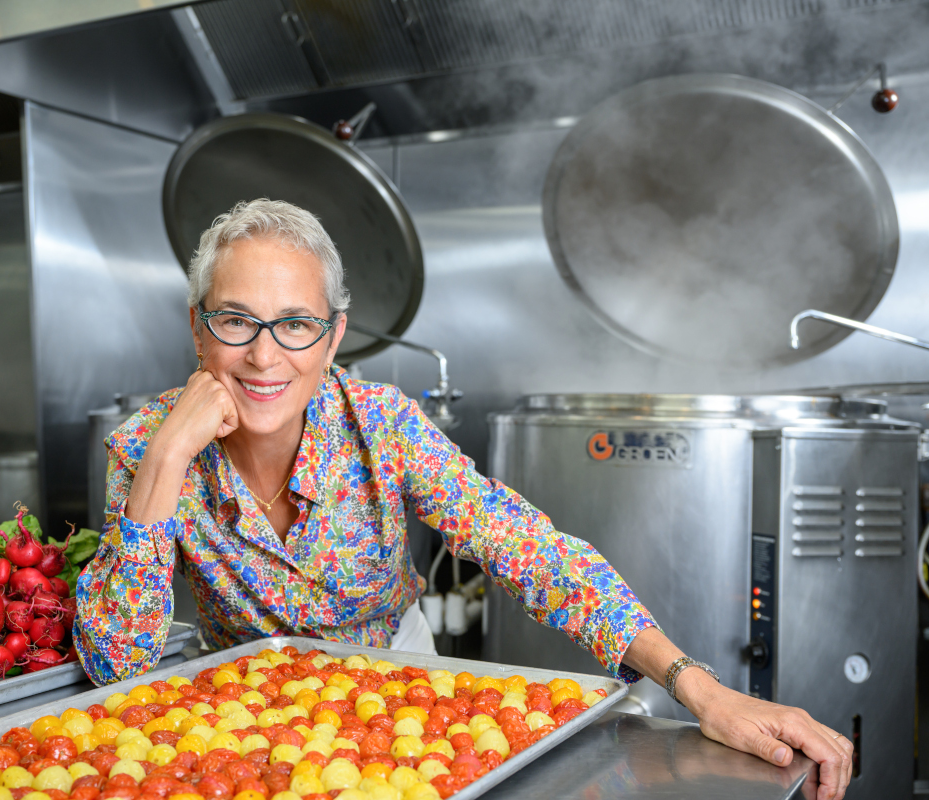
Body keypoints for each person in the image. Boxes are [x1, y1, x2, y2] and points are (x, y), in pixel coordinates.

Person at [75, 199, 851, 799]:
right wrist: (170, 457)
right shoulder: (147, 443)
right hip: (242, 716)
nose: (265, 354)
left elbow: (532, 553)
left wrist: (698, 688)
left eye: (297, 325)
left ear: (334, 336)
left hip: (399, 684)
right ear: (198, 329)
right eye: (236, 320)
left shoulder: (381, 424)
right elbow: (116, 665)